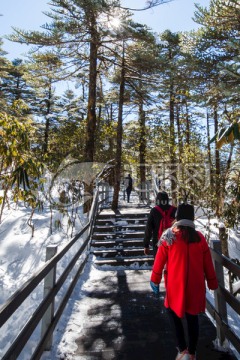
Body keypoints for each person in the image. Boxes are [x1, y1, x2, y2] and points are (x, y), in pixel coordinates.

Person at [150, 203, 218, 360]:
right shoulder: (199, 237)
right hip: (196, 286)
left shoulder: (170, 236)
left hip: (175, 286)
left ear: (178, 218)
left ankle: (182, 350)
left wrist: (155, 279)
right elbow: (208, 263)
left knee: (172, 313)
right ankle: (192, 352)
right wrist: (212, 282)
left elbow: (159, 261)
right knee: (193, 318)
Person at [143, 191, 176, 258]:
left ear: (157, 200)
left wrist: (146, 245)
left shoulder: (154, 211)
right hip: (173, 241)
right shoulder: (174, 210)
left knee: (159, 263)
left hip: (158, 242)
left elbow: (148, 228)